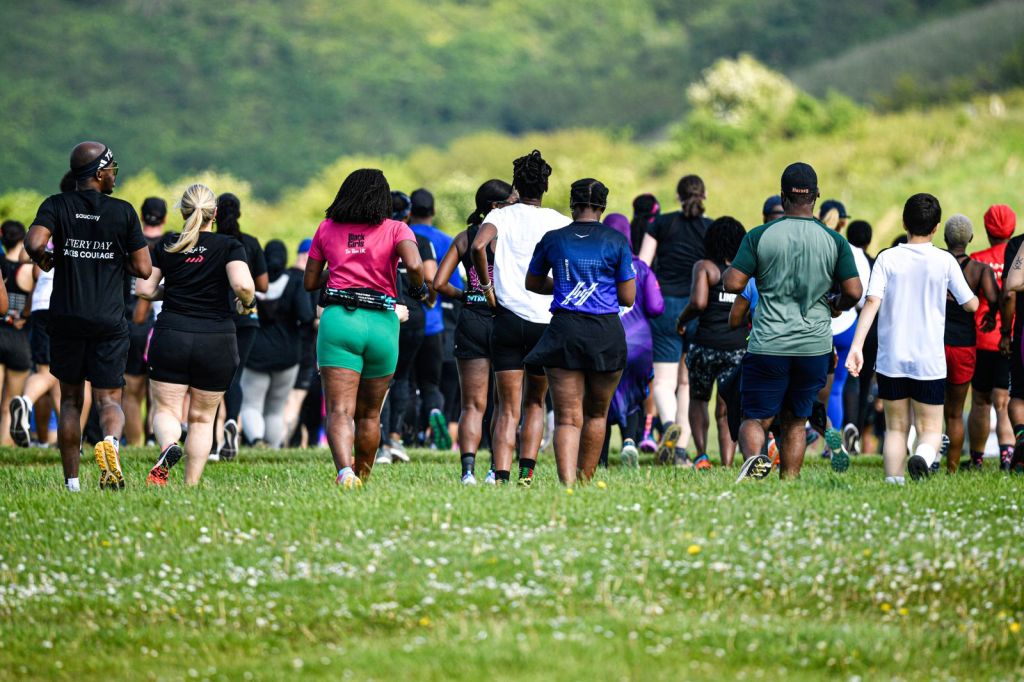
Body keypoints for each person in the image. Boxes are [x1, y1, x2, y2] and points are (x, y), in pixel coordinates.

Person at [25, 141, 152, 491]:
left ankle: (72, 483)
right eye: (113, 170)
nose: (114, 176)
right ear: (99, 173)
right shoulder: (123, 212)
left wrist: (45, 259)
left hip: (66, 317)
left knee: (69, 400)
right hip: (109, 320)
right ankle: (109, 443)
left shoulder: (56, 205)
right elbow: (144, 268)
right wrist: (114, 257)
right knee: (109, 398)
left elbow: (35, 242)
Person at [723, 162, 862, 481]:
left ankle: (756, 461)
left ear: (783, 196)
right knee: (796, 420)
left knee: (755, 417)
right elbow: (853, 291)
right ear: (816, 196)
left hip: (769, 344)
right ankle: (789, 481)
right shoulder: (834, 241)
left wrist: (737, 271)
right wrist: (834, 303)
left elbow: (733, 284)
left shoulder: (760, 236)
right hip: (813, 346)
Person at [303, 168, 428, 488]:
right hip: (382, 323)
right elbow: (414, 265)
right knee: (370, 414)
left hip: (340, 321)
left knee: (339, 410)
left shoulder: (326, 228)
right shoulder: (397, 228)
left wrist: (344, 270)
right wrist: (417, 291)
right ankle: (363, 477)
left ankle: (344, 472)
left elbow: (310, 282)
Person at [847, 194, 978, 483]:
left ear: (904, 222)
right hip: (928, 360)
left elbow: (871, 302)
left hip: (891, 358)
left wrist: (857, 347)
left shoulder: (887, 258)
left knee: (896, 428)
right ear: (936, 228)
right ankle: (923, 456)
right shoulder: (944, 261)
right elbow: (972, 304)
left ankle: (893, 481)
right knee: (930, 429)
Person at [136, 184, 256, 486]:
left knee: (166, 409)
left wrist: (175, 290)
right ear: (214, 213)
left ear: (183, 211)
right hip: (216, 339)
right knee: (203, 419)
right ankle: (190, 486)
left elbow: (145, 289)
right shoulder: (228, 245)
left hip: (172, 334)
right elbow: (242, 284)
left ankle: (167, 447)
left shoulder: (169, 243)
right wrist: (248, 302)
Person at [524, 179, 635, 485]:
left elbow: (532, 283)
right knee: (597, 415)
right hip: (606, 333)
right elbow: (627, 298)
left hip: (565, 331)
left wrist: (563, 287)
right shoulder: (617, 241)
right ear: (602, 206)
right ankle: (585, 482)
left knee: (567, 417)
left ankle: (567, 486)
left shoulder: (553, 239)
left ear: (573, 205)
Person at [470, 150, 569, 485]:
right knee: (535, 404)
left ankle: (501, 476)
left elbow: (477, 247)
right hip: (544, 320)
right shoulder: (559, 221)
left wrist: (487, 289)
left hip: (507, 316)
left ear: (516, 183)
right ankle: (527, 474)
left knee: (506, 408)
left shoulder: (502, 216)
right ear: (545, 185)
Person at [433, 179, 516, 484]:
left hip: (471, 321)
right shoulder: (512, 236)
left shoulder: (465, 237)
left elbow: (439, 284)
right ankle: (497, 469)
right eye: (513, 201)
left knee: (472, 405)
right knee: (504, 405)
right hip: (506, 319)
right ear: (496, 207)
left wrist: (467, 295)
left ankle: (468, 472)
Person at [639, 175, 712, 465]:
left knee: (663, 382)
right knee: (686, 384)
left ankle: (668, 423)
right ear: (704, 194)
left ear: (677, 196)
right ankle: (680, 451)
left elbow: (643, 264)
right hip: (698, 308)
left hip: (665, 308)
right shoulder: (709, 228)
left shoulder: (661, 223)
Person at [677, 217, 748, 469]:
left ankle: (702, 455)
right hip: (737, 347)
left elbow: (698, 303)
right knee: (727, 407)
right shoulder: (744, 271)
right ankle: (728, 463)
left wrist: (681, 320)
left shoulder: (705, 267)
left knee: (699, 399)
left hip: (705, 345)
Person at [601, 213, 663, 467]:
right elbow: (657, 306)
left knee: (600, 399)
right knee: (636, 395)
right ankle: (629, 441)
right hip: (640, 345)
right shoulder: (640, 267)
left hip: (606, 339)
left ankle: (601, 460)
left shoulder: (599, 264)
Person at [379, 191, 436, 464]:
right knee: (402, 377)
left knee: (381, 378)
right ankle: (396, 439)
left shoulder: (375, 238)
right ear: (408, 214)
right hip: (413, 316)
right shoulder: (420, 241)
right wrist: (422, 292)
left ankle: (380, 444)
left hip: (383, 313)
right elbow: (430, 278)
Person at [240, 240, 314, 448]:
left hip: (256, 353)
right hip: (288, 354)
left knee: (251, 404)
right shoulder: (293, 282)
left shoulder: (251, 283)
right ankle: (273, 447)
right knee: (276, 408)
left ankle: (255, 439)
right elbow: (306, 316)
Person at [940, 215, 998, 472]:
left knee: (930, 408)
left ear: (945, 238)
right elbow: (995, 297)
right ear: (971, 239)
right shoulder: (980, 270)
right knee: (955, 412)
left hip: (934, 343)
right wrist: (989, 318)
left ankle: (927, 458)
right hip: (964, 346)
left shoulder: (936, 263)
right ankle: (952, 468)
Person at [215, 192, 268, 461]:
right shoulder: (251, 243)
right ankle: (231, 421)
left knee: (212, 378)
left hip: (216, 317)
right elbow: (263, 285)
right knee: (236, 375)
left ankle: (215, 436)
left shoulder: (212, 243)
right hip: (247, 318)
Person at [968, 205, 1016, 470]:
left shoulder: (977, 259)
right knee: (1005, 401)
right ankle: (1007, 456)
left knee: (980, 400)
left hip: (981, 339)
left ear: (987, 230)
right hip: (1010, 339)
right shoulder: (1018, 258)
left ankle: (976, 458)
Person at [408, 188, 452, 450]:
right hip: (435, 325)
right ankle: (435, 413)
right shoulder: (445, 240)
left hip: (407, 321)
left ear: (409, 212)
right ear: (433, 211)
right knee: (430, 384)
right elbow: (447, 282)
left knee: (407, 382)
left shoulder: (402, 236)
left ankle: (409, 436)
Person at [123, 196, 168, 446]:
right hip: (163, 325)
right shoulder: (172, 244)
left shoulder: (132, 245)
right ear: (165, 218)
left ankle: (135, 443)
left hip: (131, 326)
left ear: (141, 216)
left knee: (131, 393)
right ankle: (154, 439)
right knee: (160, 391)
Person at [841, 219, 877, 454]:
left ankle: (845, 426)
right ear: (869, 240)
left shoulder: (841, 259)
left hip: (847, 324)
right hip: (872, 330)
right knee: (864, 384)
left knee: (844, 382)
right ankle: (858, 427)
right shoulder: (873, 263)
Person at [283, 238, 321, 447]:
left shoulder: (283, 277)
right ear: (308, 255)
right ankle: (283, 444)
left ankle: (284, 442)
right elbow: (308, 317)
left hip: (279, 348)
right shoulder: (308, 283)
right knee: (296, 401)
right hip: (305, 349)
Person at [0, 221, 34, 445]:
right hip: (19, 339)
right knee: (9, 404)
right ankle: (4, 446)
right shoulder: (29, 270)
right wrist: (23, 315)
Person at [998, 218, 1024, 473]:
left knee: (1018, 394)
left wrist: (1005, 332)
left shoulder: (1018, 244)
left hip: (1023, 331)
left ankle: (1023, 436)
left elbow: (1011, 287)